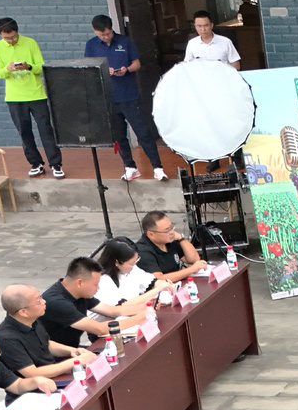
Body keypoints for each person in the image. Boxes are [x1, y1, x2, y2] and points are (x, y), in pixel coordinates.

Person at [85, 15, 166, 183]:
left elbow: (137, 63)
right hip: (108, 97)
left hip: (129, 95)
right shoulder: (91, 45)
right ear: (94, 31)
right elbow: (89, 69)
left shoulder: (124, 41)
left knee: (143, 132)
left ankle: (157, 168)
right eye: (102, 35)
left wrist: (126, 69)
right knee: (119, 135)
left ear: (111, 29)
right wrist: (102, 71)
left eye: (108, 33)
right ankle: (130, 167)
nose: (106, 37)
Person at [0, 19, 63, 179]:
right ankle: (36, 163)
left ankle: (55, 164)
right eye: (7, 38)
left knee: (45, 129)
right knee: (24, 131)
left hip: (36, 94)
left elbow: (41, 67)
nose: (11, 40)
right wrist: (7, 69)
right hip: (14, 97)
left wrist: (28, 66)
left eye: (13, 37)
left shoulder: (30, 43)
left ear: (17, 32)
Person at [0, 285, 96, 393]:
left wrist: (72, 350)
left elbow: (46, 343)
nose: (44, 302)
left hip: (54, 376)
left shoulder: (32, 320)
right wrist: (76, 362)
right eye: (38, 301)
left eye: (41, 297)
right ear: (23, 312)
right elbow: (32, 373)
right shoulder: (7, 338)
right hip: (37, 390)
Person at [37, 257, 153, 349]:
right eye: (95, 284)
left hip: (73, 349)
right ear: (80, 283)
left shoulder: (79, 291)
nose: (98, 288)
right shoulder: (57, 302)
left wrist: (146, 307)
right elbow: (99, 329)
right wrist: (141, 318)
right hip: (53, 357)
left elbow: (112, 311)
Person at [91, 237, 163, 312]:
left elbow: (152, 282)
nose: (135, 265)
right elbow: (121, 308)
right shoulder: (102, 280)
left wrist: (161, 286)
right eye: (131, 263)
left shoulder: (132, 269)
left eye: (136, 260)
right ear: (117, 262)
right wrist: (157, 290)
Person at [135, 211, 208, 282]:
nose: (172, 232)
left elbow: (194, 260)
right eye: (167, 230)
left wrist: (181, 239)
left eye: (171, 228)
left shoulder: (169, 241)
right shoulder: (142, 250)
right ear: (151, 234)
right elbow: (158, 278)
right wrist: (191, 270)